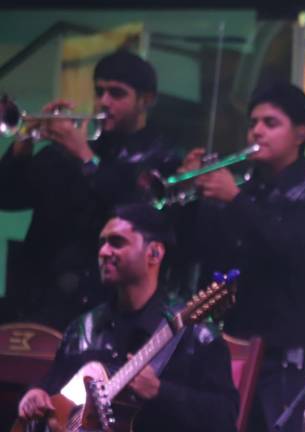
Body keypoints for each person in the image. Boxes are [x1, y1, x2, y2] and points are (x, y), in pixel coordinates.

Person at [177, 82, 305, 432]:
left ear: (300, 133)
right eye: (253, 123)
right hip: (231, 350)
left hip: (285, 362)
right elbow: (197, 251)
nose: (257, 131)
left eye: (271, 123)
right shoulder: (244, 192)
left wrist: (235, 200)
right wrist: (189, 196)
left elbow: (293, 253)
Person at [15, 203, 239, 432]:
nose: (103, 252)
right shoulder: (84, 329)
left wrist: (161, 392)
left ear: (154, 253)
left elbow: (224, 418)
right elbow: (53, 383)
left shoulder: (196, 335)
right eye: (102, 243)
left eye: (117, 242)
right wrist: (35, 393)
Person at [0, 50, 179, 329]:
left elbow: (137, 213)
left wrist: (85, 157)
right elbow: (7, 197)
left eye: (117, 94)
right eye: (99, 92)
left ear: (146, 100)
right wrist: (23, 144)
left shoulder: (161, 157)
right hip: (38, 302)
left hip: (104, 309)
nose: (103, 102)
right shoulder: (63, 153)